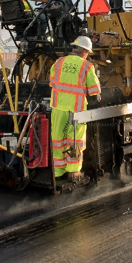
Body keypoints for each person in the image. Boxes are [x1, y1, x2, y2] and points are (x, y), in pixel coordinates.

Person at [49, 36, 101, 184]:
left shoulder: (59, 62)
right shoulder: (86, 66)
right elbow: (94, 91)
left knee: (57, 139)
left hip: (58, 108)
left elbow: (52, 82)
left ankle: (58, 172)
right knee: (74, 141)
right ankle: (74, 173)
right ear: (84, 51)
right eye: (87, 52)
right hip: (76, 110)